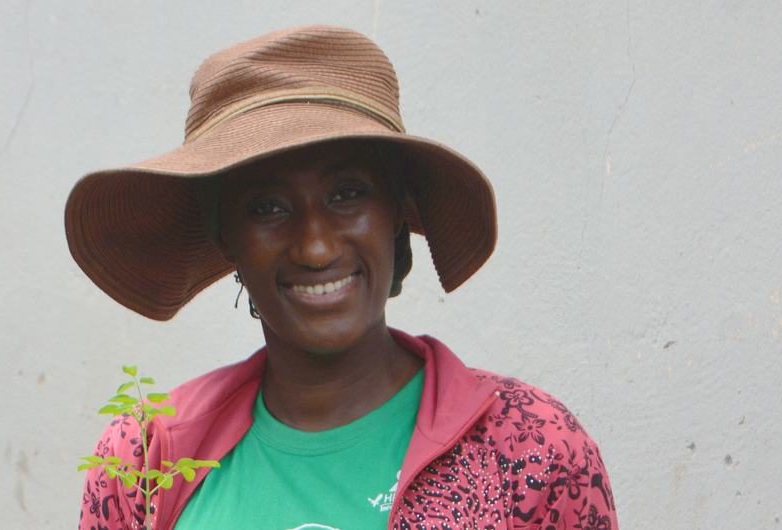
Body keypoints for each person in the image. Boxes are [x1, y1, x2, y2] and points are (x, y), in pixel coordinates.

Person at [66, 25, 617, 530]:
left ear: (396, 212)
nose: (315, 246)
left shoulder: (530, 449)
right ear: (225, 237)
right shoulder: (145, 461)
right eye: (267, 208)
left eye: (347, 194)